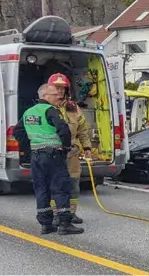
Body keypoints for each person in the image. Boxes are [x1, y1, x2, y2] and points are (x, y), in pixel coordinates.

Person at [13, 83, 84, 235]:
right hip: (53, 155)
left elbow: (17, 131)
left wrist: (30, 148)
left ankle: (46, 224)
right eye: (54, 94)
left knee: (41, 189)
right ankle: (65, 224)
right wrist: (65, 148)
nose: (58, 96)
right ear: (45, 96)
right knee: (60, 188)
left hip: (36, 156)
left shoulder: (28, 112)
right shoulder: (51, 110)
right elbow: (64, 130)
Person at [48, 73, 95, 226]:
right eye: (57, 88)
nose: (60, 91)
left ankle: (71, 213)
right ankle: (56, 214)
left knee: (73, 184)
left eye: (63, 88)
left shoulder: (73, 107)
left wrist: (87, 147)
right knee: (56, 184)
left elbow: (82, 128)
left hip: (72, 154)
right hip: (54, 153)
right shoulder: (46, 107)